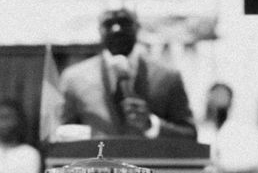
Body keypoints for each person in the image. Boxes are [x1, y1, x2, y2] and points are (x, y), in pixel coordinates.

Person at [58, 8, 196, 139]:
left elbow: (190, 134)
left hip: (149, 162)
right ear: (99, 30)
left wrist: (151, 125)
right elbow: (59, 133)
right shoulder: (74, 78)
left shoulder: (167, 77)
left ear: (138, 28)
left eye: (124, 23)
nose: (117, 29)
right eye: (108, 24)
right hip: (96, 161)